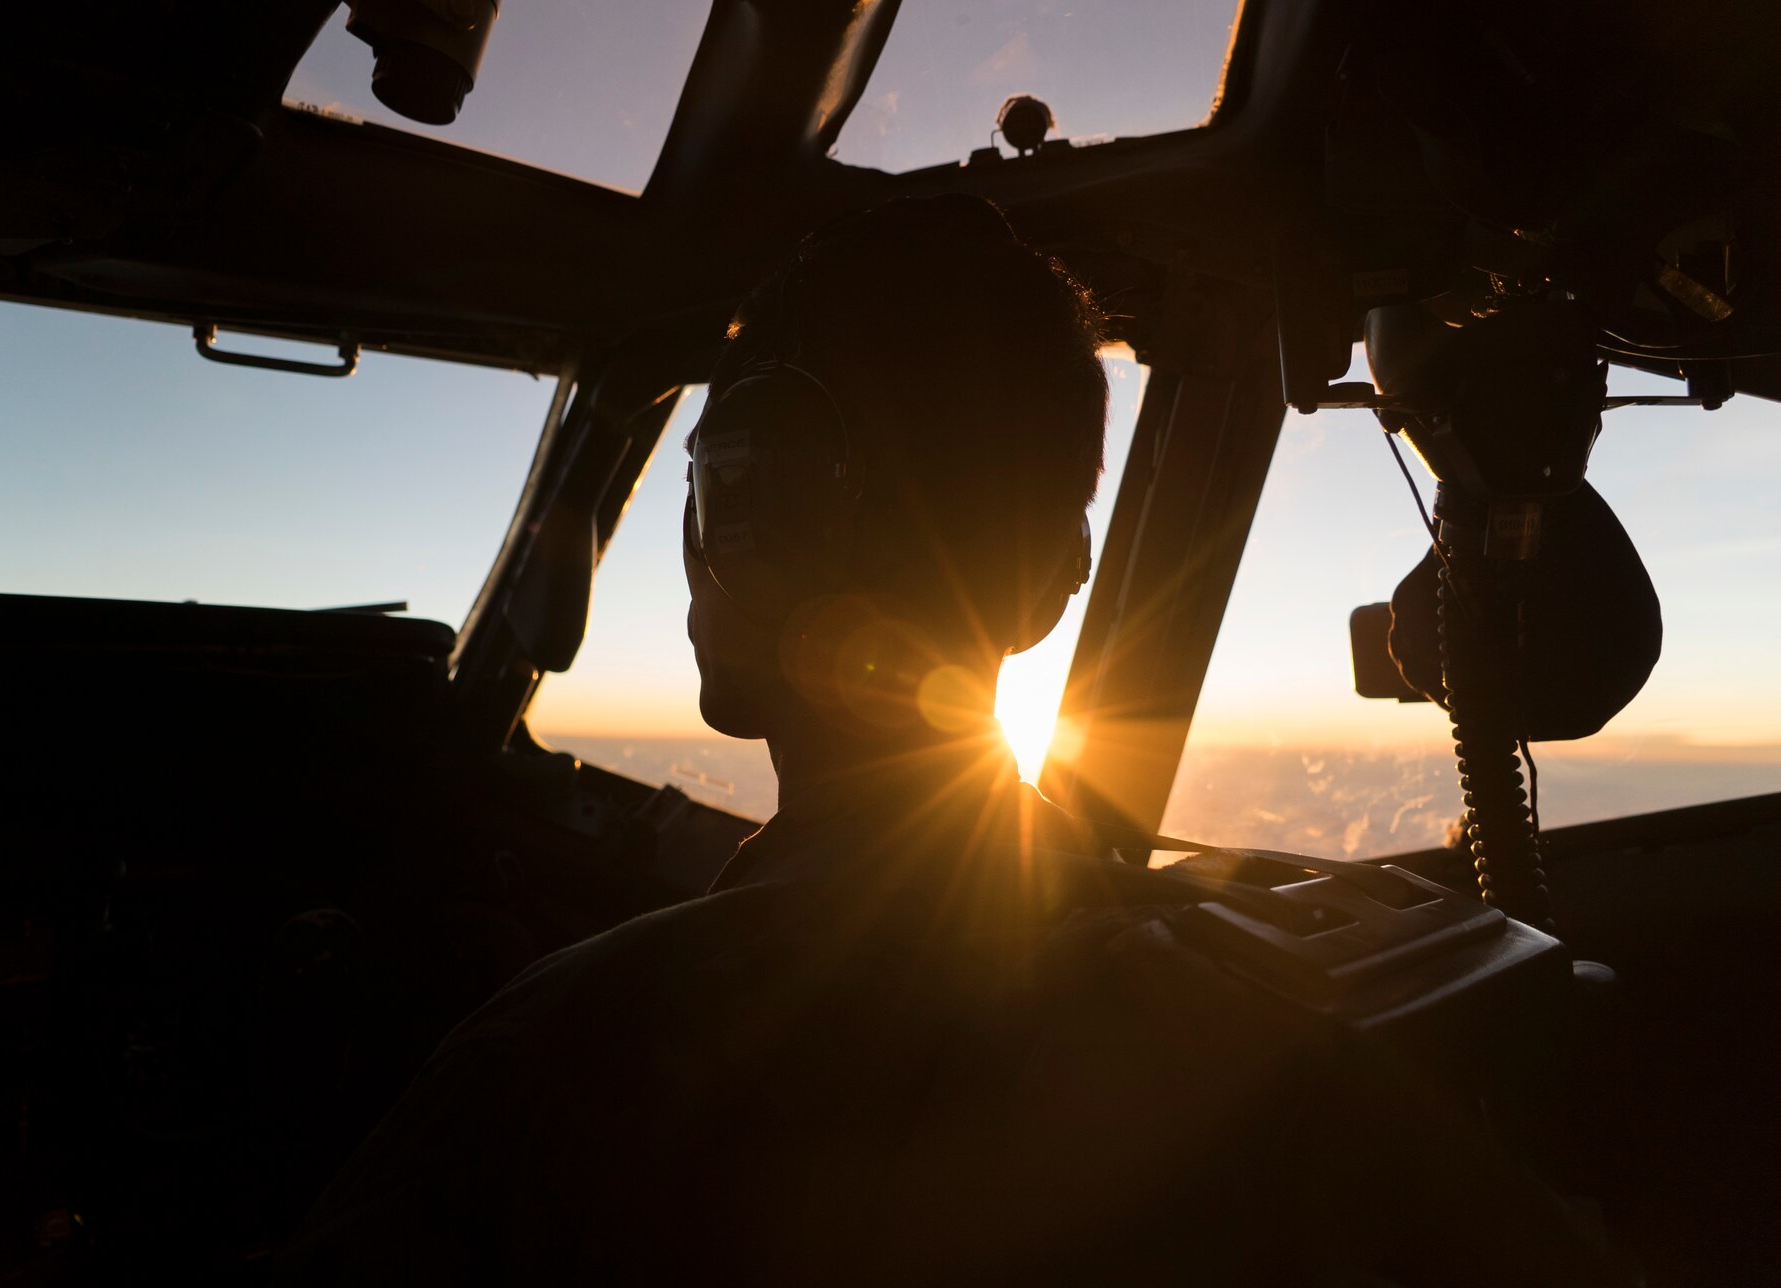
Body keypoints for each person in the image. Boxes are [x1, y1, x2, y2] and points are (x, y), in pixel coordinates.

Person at [281, 198, 1626, 1286]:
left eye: (724, 484)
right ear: (1060, 575)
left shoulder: (560, 1068)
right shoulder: (1294, 1049)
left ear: (765, 516)